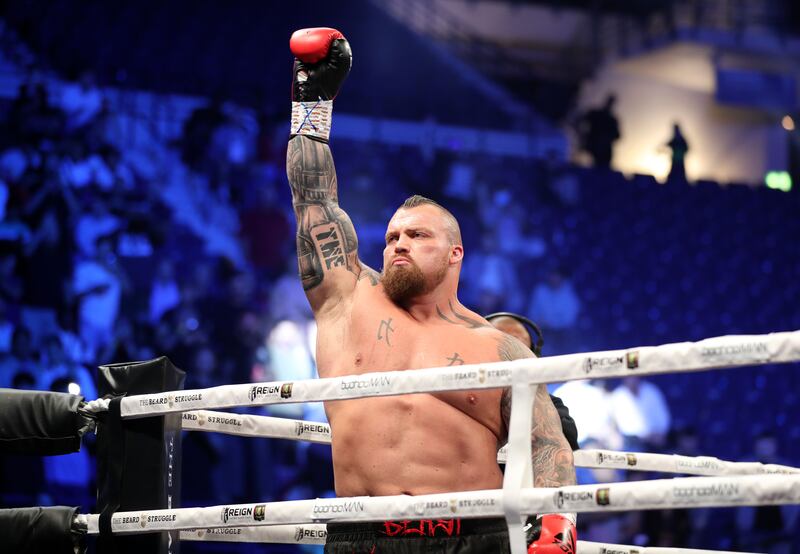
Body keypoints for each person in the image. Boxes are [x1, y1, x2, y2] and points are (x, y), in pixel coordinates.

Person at [286, 28, 576, 553]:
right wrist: (313, 101)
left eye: (417, 235)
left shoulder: (497, 347)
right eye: (392, 235)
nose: (398, 244)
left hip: (470, 537)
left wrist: (558, 524)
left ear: (454, 253)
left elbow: (546, 445)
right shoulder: (347, 299)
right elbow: (313, 200)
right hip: (363, 534)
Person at [485, 311, 579, 451]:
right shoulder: (461, 400)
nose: (510, 353)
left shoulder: (550, 404)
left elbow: (566, 441)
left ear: (532, 354)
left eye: (518, 344)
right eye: (501, 343)